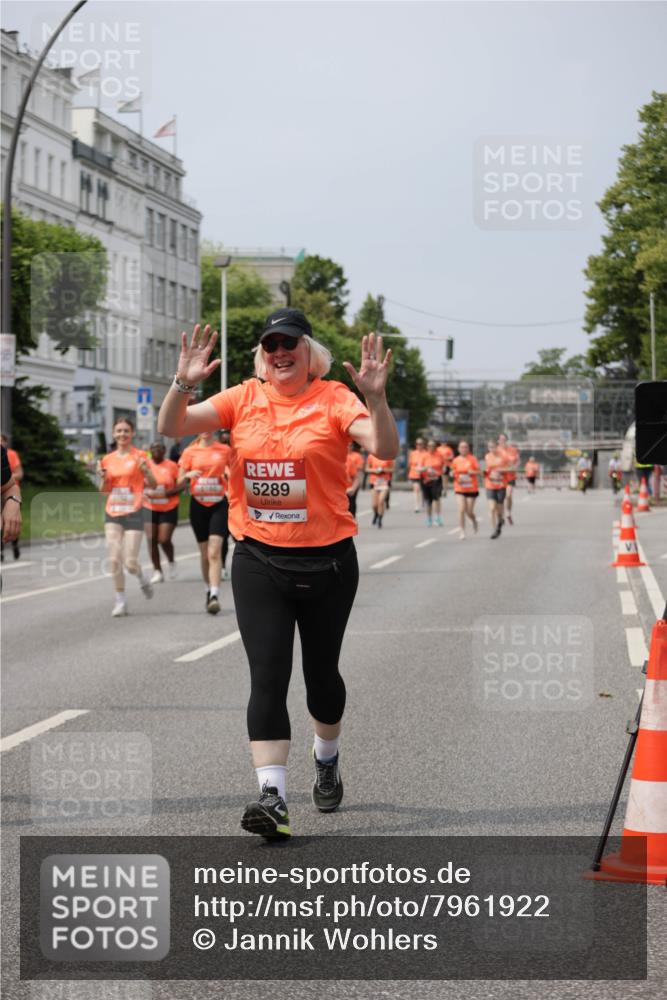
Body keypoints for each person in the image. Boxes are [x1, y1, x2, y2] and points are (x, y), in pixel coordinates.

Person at [157, 310, 398, 839]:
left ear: (309, 352)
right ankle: (273, 796)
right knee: (267, 676)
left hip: (329, 561)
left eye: (289, 342)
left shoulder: (335, 397)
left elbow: (382, 448)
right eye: (270, 344)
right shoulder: (242, 398)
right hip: (259, 559)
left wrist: (377, 400)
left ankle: (327, 756)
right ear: (261, 356)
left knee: (322, 682)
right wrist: (182, 383)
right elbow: (172, 426)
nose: (280, 351)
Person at [98, 418, 157, 617]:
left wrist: (147, 471)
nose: (122, 434)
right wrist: (102, 478)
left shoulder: (140, 456)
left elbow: (154, 484)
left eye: (126, 431)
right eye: (118, 431)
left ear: (132, 434)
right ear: (113, 434)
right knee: (114, 559)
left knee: (130, 562)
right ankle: (120, 600)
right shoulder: (107, 459)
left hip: (134, 510)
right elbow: (104, 492)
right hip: (113, 510)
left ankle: (141, 578)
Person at [178, 430, 232, 614]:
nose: (206, 428)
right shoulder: (189, 452)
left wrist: (230, 481)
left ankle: (215, 595)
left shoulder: (224, 450)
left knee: (214, 551)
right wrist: (187, 475)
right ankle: (208, 588)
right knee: (204, 555)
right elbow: (178, 479)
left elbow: (234, 472)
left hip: (219, 504)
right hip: (198, 505)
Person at [143, 440, 185, 583]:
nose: (157, 450)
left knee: (164, 539)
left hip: (169, 507)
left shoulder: (172, 466)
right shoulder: (145, 466)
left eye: (160, 448)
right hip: (149, 507)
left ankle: (172, 562)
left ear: (164, 450)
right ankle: (157, 571)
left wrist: (165, 494)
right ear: (150, 450)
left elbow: (182, 486)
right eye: (154, 447)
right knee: (151, 539)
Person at [450, 441, 479, 539]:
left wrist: (472, 472)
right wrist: (452, 473)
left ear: (468, 449)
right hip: (459, 488)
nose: (463, 449)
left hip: (471, 488)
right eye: (461, 447)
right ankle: (462, 531)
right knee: (462, 509)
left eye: (465, 447)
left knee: (469, 511)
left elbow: (479, 472)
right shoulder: (456, 460)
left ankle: (474, 520)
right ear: (458, 449)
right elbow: (452, 471)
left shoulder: (473, 459)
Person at [0, 434, 22, 560]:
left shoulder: (11, 454)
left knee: (9, 524)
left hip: (6, 493)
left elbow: (18, 475)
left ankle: (14, 544)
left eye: (2, 440)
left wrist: (13, 499)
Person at [419, 439, 445, 527]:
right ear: (427, 447)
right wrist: (425, 468)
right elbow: (418, 468)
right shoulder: (424, 456)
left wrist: (443, 470)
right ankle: (429, 518)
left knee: (437, 498)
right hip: (426, 481)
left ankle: (438, 518)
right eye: (429, 446)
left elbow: (444, 466)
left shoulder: (439, 455)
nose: (431, 447)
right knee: (428, 501)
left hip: (437, 480)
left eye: (433, 446)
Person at [484, 439, 506, 539]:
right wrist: (485, 472)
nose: (491, 449)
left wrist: (501, 470)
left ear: (497, 447)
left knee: (499, 508)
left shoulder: (503, 456)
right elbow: (486, 470)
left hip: (501, 484)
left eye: (493, 446)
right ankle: (494, 530)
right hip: (490, 484)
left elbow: (511, 468)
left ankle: (500, 519)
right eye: (490, 447)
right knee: (492, 508)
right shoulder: (487, 457)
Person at [367, 452, 393, 528]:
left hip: (384, 482)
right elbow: (367, 468)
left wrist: (383, 470)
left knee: (381, 501)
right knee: (374, 505)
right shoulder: (371, 456)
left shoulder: (388, 456)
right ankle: (376, 513)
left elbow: (392, 469)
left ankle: (380, 520)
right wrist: (375, 471)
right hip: (374, 482)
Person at [498, 433, 519, 525]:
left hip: (510, 476)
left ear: (507, 440)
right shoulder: (496, 450)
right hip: (500, 478)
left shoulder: (513, 450)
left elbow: (517, 461)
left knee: (509, 495)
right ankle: (501, 517)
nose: (502, 441)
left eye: (504, 439)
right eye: (501, 439)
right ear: (498, 441)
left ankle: (508, 513)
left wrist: (515, 466)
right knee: (501, 498)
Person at [345, 442, 364, 518]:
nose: (348, 447)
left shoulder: (356, 456)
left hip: (350, 485)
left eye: (350, 446)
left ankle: (353, 517)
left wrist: (353, 488)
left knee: (352, 502)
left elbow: (359, 471)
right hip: (339, 490)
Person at [408, 437, 426, 512]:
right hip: (414, 474)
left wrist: (422, 468)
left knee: (423, 490)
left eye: (421, 444)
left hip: (424, 474)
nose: (419, 445)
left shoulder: (426, 453)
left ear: (423, 445)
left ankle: (423, 500)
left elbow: (428, 464)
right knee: (416, 489)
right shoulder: (413, 453)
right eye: (418, 444)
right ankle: (416, 505)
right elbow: (410, 464)